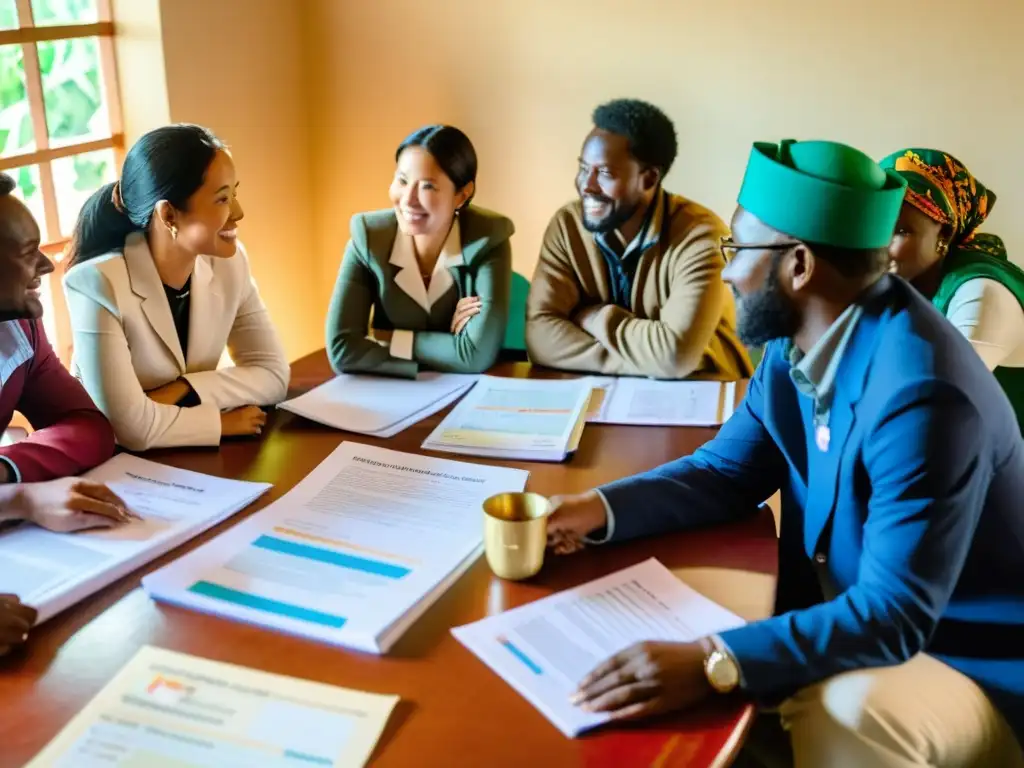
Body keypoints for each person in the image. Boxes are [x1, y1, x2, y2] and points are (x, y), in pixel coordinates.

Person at [546, 140, 1024, 766]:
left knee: (852, 713)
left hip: (968, 653)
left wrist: (718, 659)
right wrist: (593, 509)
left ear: (798, 265)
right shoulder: (796, 336)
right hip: (850, 607)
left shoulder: (926, 393)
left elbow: (893, 616)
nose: (725, 272)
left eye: (737, 250)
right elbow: (724, 472)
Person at [63, 124, 290, 452]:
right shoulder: (98, 284)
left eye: (235, 194)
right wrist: (220, 423)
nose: (238, 213)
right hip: (108, 463)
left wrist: (184, 388)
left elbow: (273, 375)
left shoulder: (229, 263)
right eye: (222, 198)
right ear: (168, 214)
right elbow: (130, 428)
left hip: (180, 456)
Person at [0, 171, 131, 658]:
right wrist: (23, 500)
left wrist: (10, 474)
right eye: (24, 251)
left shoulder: (21, 330)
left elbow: (87, 425)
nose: (46, 265)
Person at [526, 99, 751, 379]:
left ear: (648, 179)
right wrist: (649, 360)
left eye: (604, 173)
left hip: (702, 395)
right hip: (597, 398)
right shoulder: (567, 226)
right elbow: (539, 337)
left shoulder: (702, 236)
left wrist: (594, 317)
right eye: (584, 168)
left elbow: (674, 356)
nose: (586, 185)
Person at [326, 125, 513, 378]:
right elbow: (342, 349)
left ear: (462, 195)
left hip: (464, 400)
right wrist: (446, 346)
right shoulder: (368, 237)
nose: (408, 200)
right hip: (391, 398)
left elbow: (474, 355)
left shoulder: (489, 237)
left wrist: (386, 338)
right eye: (402, 181)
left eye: (427, 187)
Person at [881, 148, 1024, 430]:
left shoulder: (981, 294)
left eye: (899, 231)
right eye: (874, 228)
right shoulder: (904, 287)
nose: (879, 248)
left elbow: (935, 404)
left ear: (943, 234)